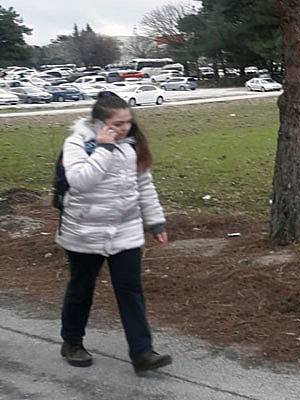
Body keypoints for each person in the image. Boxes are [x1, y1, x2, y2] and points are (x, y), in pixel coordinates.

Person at [56, 91, 172, 373]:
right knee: (81, 289)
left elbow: (144, 187)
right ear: (99, 123)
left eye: (127, 123)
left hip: (125, 233)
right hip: (84, 232)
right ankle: (72, 341)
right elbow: (81, 182)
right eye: (117, 124)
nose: (124, 129)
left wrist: (155, 222)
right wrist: (104, 149)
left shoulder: (131, 148)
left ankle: (142, 352)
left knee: (130, 291)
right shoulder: (76, 144)